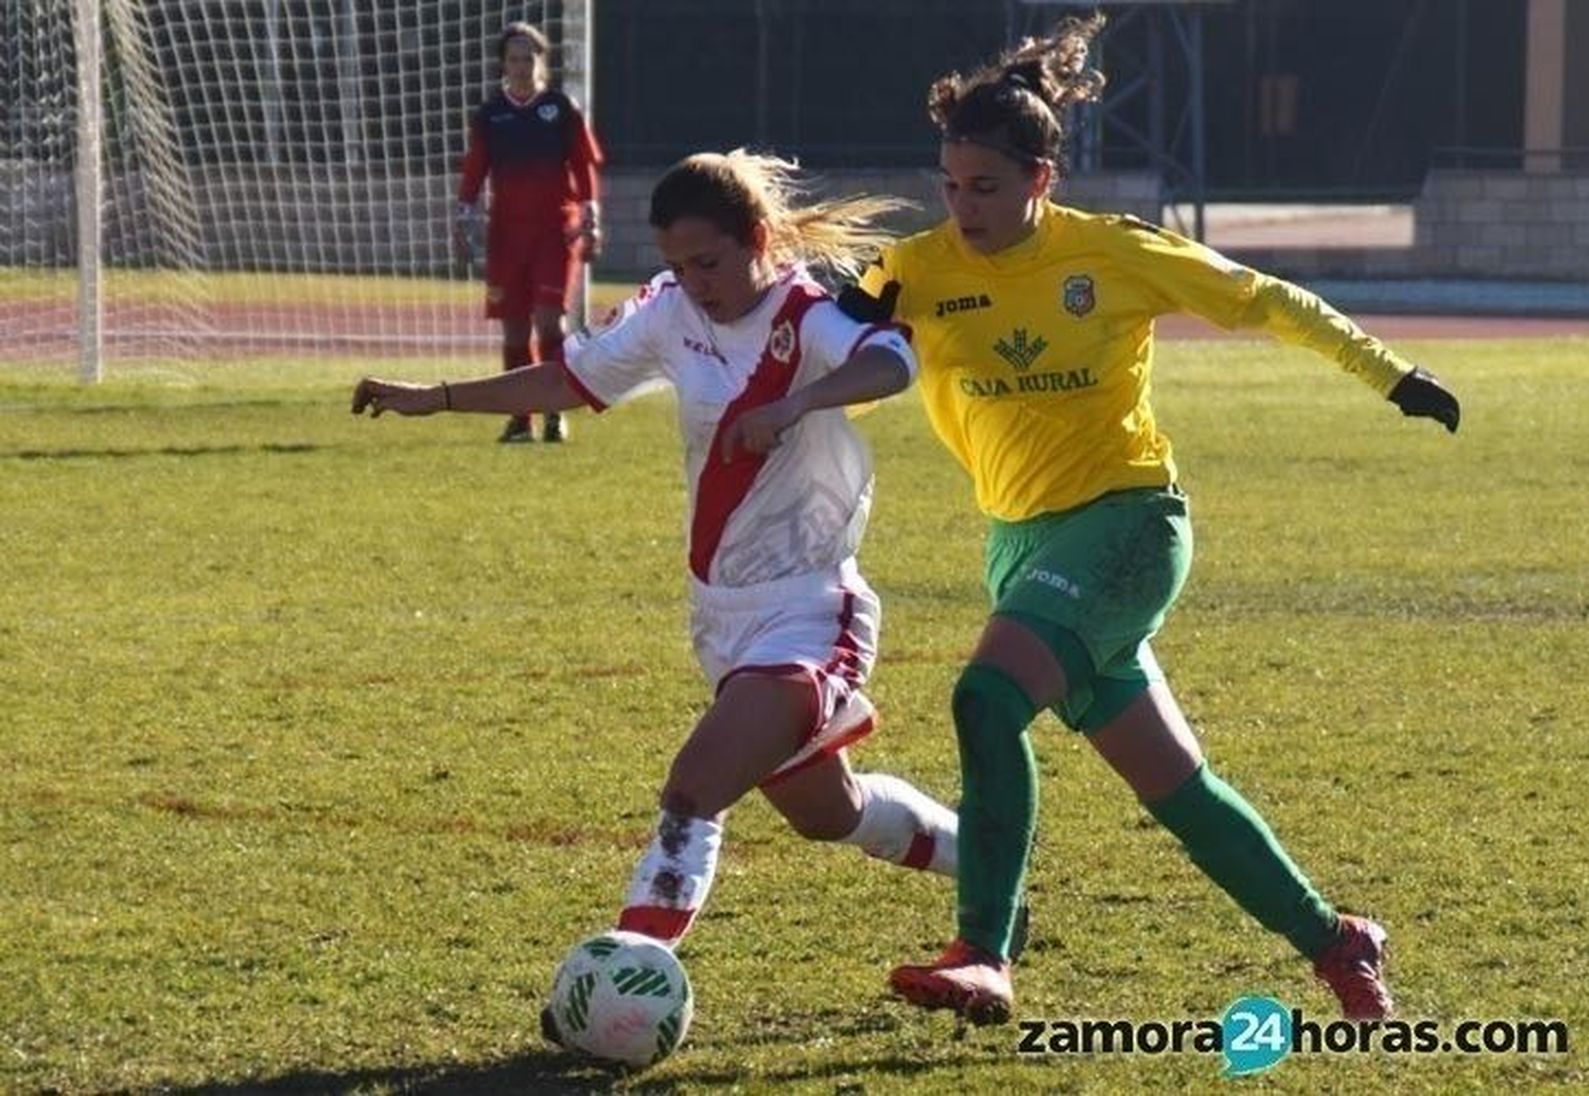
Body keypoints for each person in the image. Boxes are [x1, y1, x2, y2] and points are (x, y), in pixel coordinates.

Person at [839, 14, 1461, 1026]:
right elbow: (854, 383)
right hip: (1021, 545)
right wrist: (835, 327)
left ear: (1043, 177)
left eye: (986, 188)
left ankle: (982, 952)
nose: (963, 208)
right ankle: (1336, 940)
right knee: (1179, 791)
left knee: (986, 701)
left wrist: (1389, 374)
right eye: (950, 185)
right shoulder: (917, 268)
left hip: (1127, 525)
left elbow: (1262, 298)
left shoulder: (1113, 254)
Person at [358, 149, 968, 1006]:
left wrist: (793, 403)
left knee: (693, 790)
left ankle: (623, 982)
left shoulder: (805, 313)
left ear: (758, 238)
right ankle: (987, 859)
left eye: (708, 263)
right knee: (830, 813)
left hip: (810, 610)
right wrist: (441, 396)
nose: (693, 282)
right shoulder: (668, 311)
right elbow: (573, 378)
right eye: (677, 265)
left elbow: (892, 364)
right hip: (720, 618)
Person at [455, 21, 603, 444]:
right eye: (514, 59)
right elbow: (474, 171)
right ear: (504, 64)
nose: (522, 66)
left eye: (529, 58)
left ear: (542, 61)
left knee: (550, 322)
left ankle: (556, 411)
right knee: (515, 330)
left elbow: (584, 167)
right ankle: (521, 418)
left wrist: (592, 220)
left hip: (556, 233)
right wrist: (463, 218)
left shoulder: (561, 108)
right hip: (506, 236)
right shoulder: (491, 114)